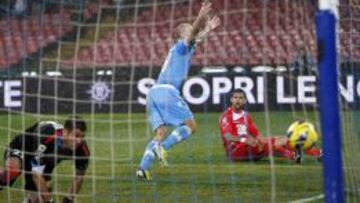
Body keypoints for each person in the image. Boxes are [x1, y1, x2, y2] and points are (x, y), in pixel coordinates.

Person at [136, 0, 220, 180]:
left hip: (153, 94)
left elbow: (197, 37)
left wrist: (208, 28)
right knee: (191, 126)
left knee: (159, 133)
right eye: (187, 29)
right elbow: (194, 35)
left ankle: (142, 168)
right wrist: (202, 14)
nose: (191, 30)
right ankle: (163, 148)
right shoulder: (182, 47)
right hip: (168, 92)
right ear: (181, 35)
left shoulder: (179, 49)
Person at [0, 117, 90, 203]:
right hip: (23, 147)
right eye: (76, 135)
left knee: (39, 197)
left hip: (43, 160)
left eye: (82, 136)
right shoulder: (48, 135)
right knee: (12, 171)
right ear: (65, 132)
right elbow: (36, 174)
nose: (79, 140)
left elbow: (79, 177)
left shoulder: (82, 149)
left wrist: (69, 199)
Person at [219, 89, 301, 162]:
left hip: (249, 147)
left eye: (240, 98)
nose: (238, 100)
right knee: (269, 146)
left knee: (283, 139)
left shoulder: (246, 115)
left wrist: (263, 141)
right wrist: (245, 140)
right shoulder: (227, 116)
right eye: (235, 98)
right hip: (235, 152)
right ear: (231, 100)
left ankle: (297, 150)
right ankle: (294, 156)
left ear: (244, 101)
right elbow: (228, 136)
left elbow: (256, 134)